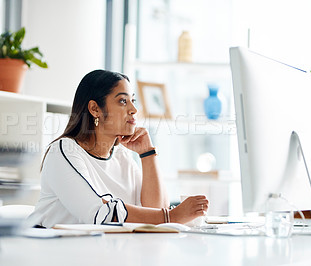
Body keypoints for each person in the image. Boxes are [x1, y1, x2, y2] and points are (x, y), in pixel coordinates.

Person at [30, 70, 208, 228]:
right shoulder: (64, 151)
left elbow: (153, 212)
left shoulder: (121, 155)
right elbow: (100, 213)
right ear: (94, 109)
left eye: (133, 100)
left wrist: (147, 154)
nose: (134, 109)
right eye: (123, 101)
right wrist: (172, 216)